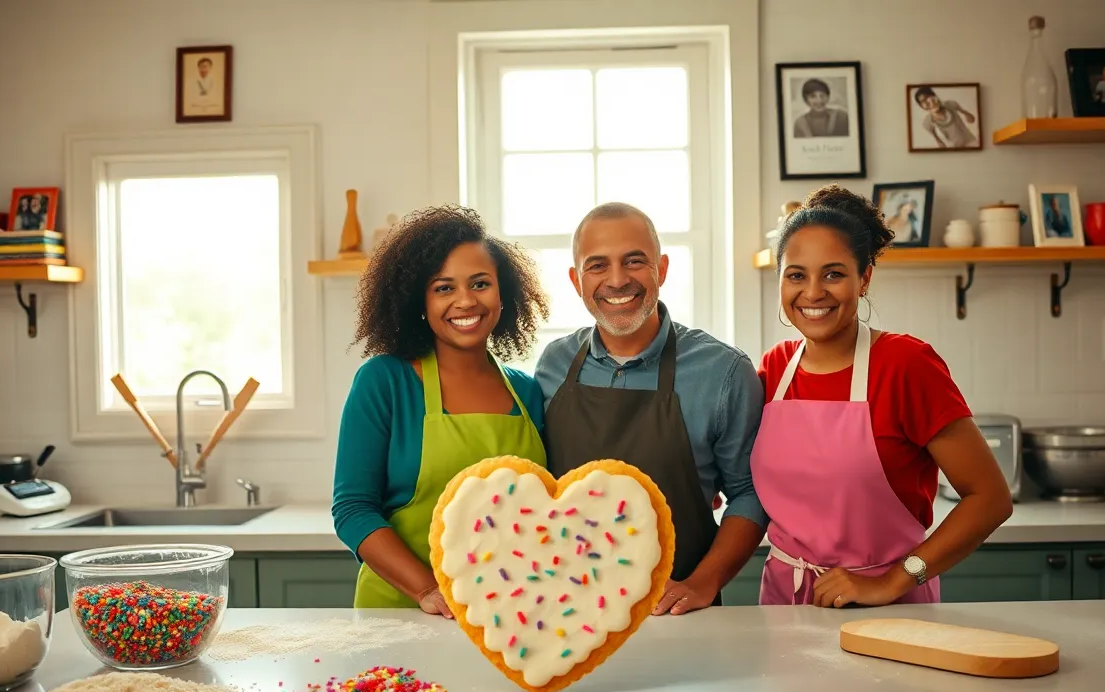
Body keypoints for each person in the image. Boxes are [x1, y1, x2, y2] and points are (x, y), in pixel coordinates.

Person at [751, 185, 1012, 607]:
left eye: (834, 274)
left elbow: (991, 498)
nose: (813, 292)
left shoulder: (906, 365)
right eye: (796, 275)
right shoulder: (774, 369)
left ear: (864, 278)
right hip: (786, 605)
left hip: (889, 610)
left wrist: (892, 582)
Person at [535, 202, 766, 616]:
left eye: (634, 261)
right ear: (576, 279)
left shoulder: (724, 372)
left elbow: (750, 494)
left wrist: (703, 582)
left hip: (681, 614)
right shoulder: (553, 365)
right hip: (565, 615)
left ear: (661, 267)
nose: (618, 279)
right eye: (597, 265)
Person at [333, 205, 551, 614]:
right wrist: (427, 591)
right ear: (419, 301)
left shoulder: (527, 392)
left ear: (505, 294)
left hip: (507, 613)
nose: (465, 301)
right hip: (398, 611)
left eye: (480, 283)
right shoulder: (385, 381)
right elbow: (352, 510)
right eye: (444, 288)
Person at [913, 86, 978, 149]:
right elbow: (940, 143)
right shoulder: (927, 123)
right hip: (953, 150)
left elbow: (971, 120)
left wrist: (966, 114)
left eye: (928, 97)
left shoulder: (951, 104)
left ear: (934, 96)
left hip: (971, 143)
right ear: (921, 106)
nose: (928, 101)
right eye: (923, 101)